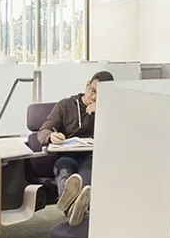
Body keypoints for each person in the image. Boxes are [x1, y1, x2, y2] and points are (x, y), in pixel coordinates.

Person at [36, 71, 114, 224]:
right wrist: (51, 136)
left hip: (91, 156)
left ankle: (72, 208)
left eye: (100, 95)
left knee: (86, 177)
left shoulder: (109, 111)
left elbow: (118, 135)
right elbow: (43, 131)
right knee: (65, 172)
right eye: (92, 90)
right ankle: (73, 207)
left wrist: (104, 112)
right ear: (87, 85)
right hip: (67, 155)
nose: (94, 97)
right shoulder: (65, 106)